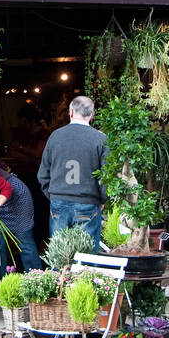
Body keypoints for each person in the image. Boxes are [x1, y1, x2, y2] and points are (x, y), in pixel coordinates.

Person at [37, 95, 109, 250]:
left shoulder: (55, 136)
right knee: (86, 258)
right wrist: (103, 199)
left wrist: (53, 196)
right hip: (88, 203)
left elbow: (43, 174)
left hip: (58, 202)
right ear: (92, 115)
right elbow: (106, 176)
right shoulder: (101, 139)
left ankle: (60, 275)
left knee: (59, 255)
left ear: (70, 112)